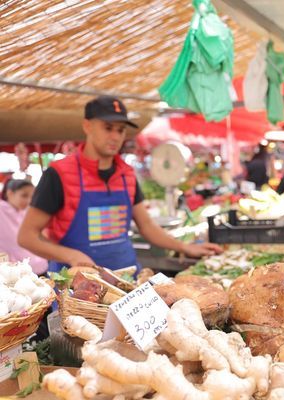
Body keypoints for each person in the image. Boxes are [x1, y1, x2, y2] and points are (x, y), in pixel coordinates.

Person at [18, 96, 222, 272]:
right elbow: (27, 236)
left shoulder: (127, 174)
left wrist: (184, 247)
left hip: (126, 278)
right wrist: (71, 255)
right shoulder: (59, 174)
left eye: (121, 130)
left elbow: (147, 226)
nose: (115, 136)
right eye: (108, 128)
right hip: (77, 286)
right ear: (87, 126)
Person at [0, 179, 48, 275]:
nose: (29, 200)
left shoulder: (26, 212)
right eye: (24, 195)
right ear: (10, 193)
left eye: (32, 197)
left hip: (38, 268)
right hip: (13, 272)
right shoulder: (2, 209)